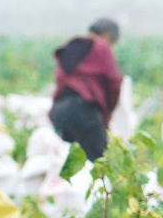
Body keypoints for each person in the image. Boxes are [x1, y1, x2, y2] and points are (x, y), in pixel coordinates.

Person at [50, 18, 122, 162]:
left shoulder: (70, 45)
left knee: (68, 163)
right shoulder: (102, 47)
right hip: (83, 111)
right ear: (107, 35)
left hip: (59, 111)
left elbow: (59, 79)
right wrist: (107, 113)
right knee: (100, 162)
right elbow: (114, 82)